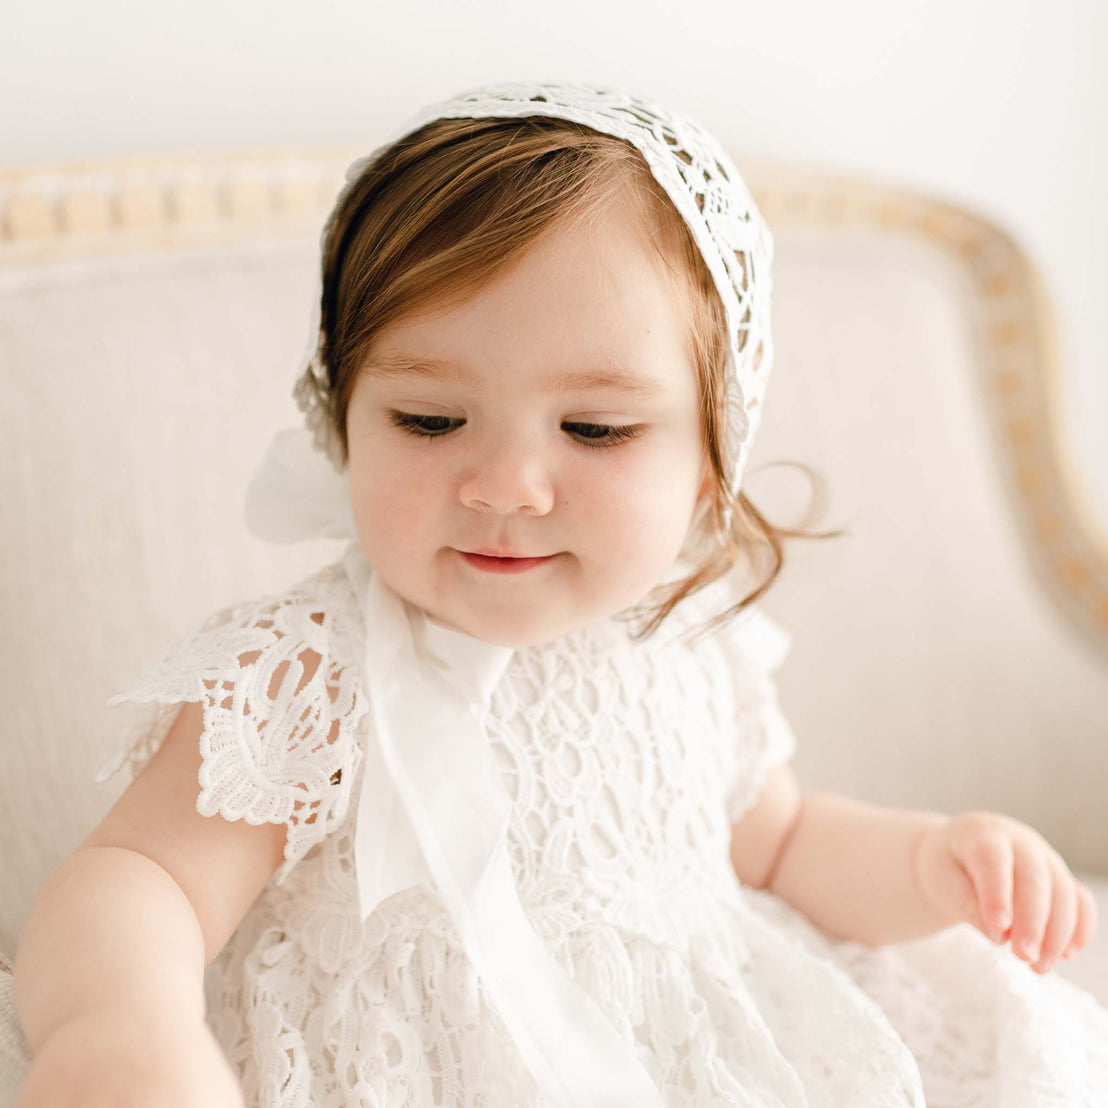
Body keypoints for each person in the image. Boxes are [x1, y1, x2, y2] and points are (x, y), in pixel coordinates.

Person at [12, 80, 1107, 1108]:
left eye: (595, 429)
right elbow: (140, 875)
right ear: (341, 417)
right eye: (428, 421)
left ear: (707, 467)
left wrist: (928, 861)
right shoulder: (310, 670)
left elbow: (779, 845)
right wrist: (120, 1028)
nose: (503, 486)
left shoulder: (687, 644)